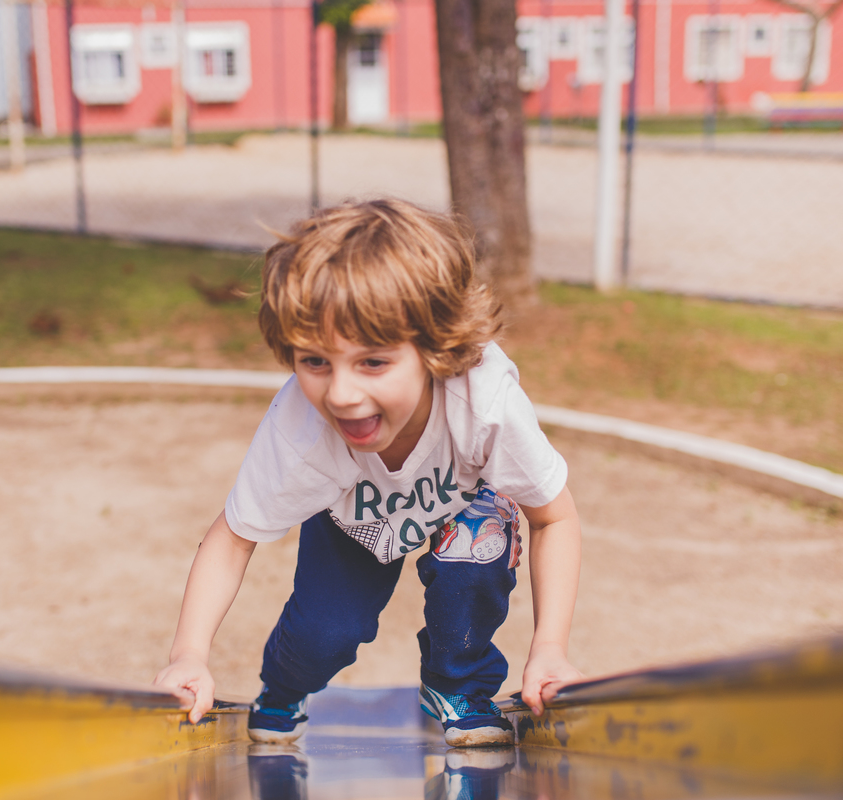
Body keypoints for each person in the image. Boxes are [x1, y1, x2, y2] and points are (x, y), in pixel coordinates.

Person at [155, 198, 583, 747]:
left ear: (435, 347)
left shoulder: (485, 402)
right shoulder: (302, 429)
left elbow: (554, 517)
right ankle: (284, 688)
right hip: (353, 516)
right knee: (325, 635)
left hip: (463, 501)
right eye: (314, 361)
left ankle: (457, 685)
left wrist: (550, 648)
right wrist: (189, 654)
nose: (340, 394)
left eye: (373, 362)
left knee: (476, 550)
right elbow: (232, 539)